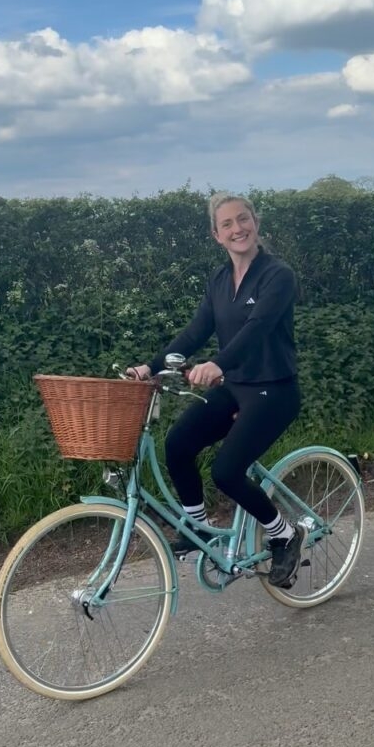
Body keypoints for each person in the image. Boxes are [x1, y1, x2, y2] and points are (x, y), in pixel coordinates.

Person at [127, 191, 304, 587]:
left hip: (274, 389)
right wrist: (149, 367)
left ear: (255, 223)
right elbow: (195, 332)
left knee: (227, 471)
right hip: (236, 386)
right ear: (216, 235)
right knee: (178, 444)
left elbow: (256, 329)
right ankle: (199, 529)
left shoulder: (278, 275)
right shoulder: (220, 280)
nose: (237, 228)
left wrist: (217, 363)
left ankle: (284, 535)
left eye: (243, 219)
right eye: (227, 224)